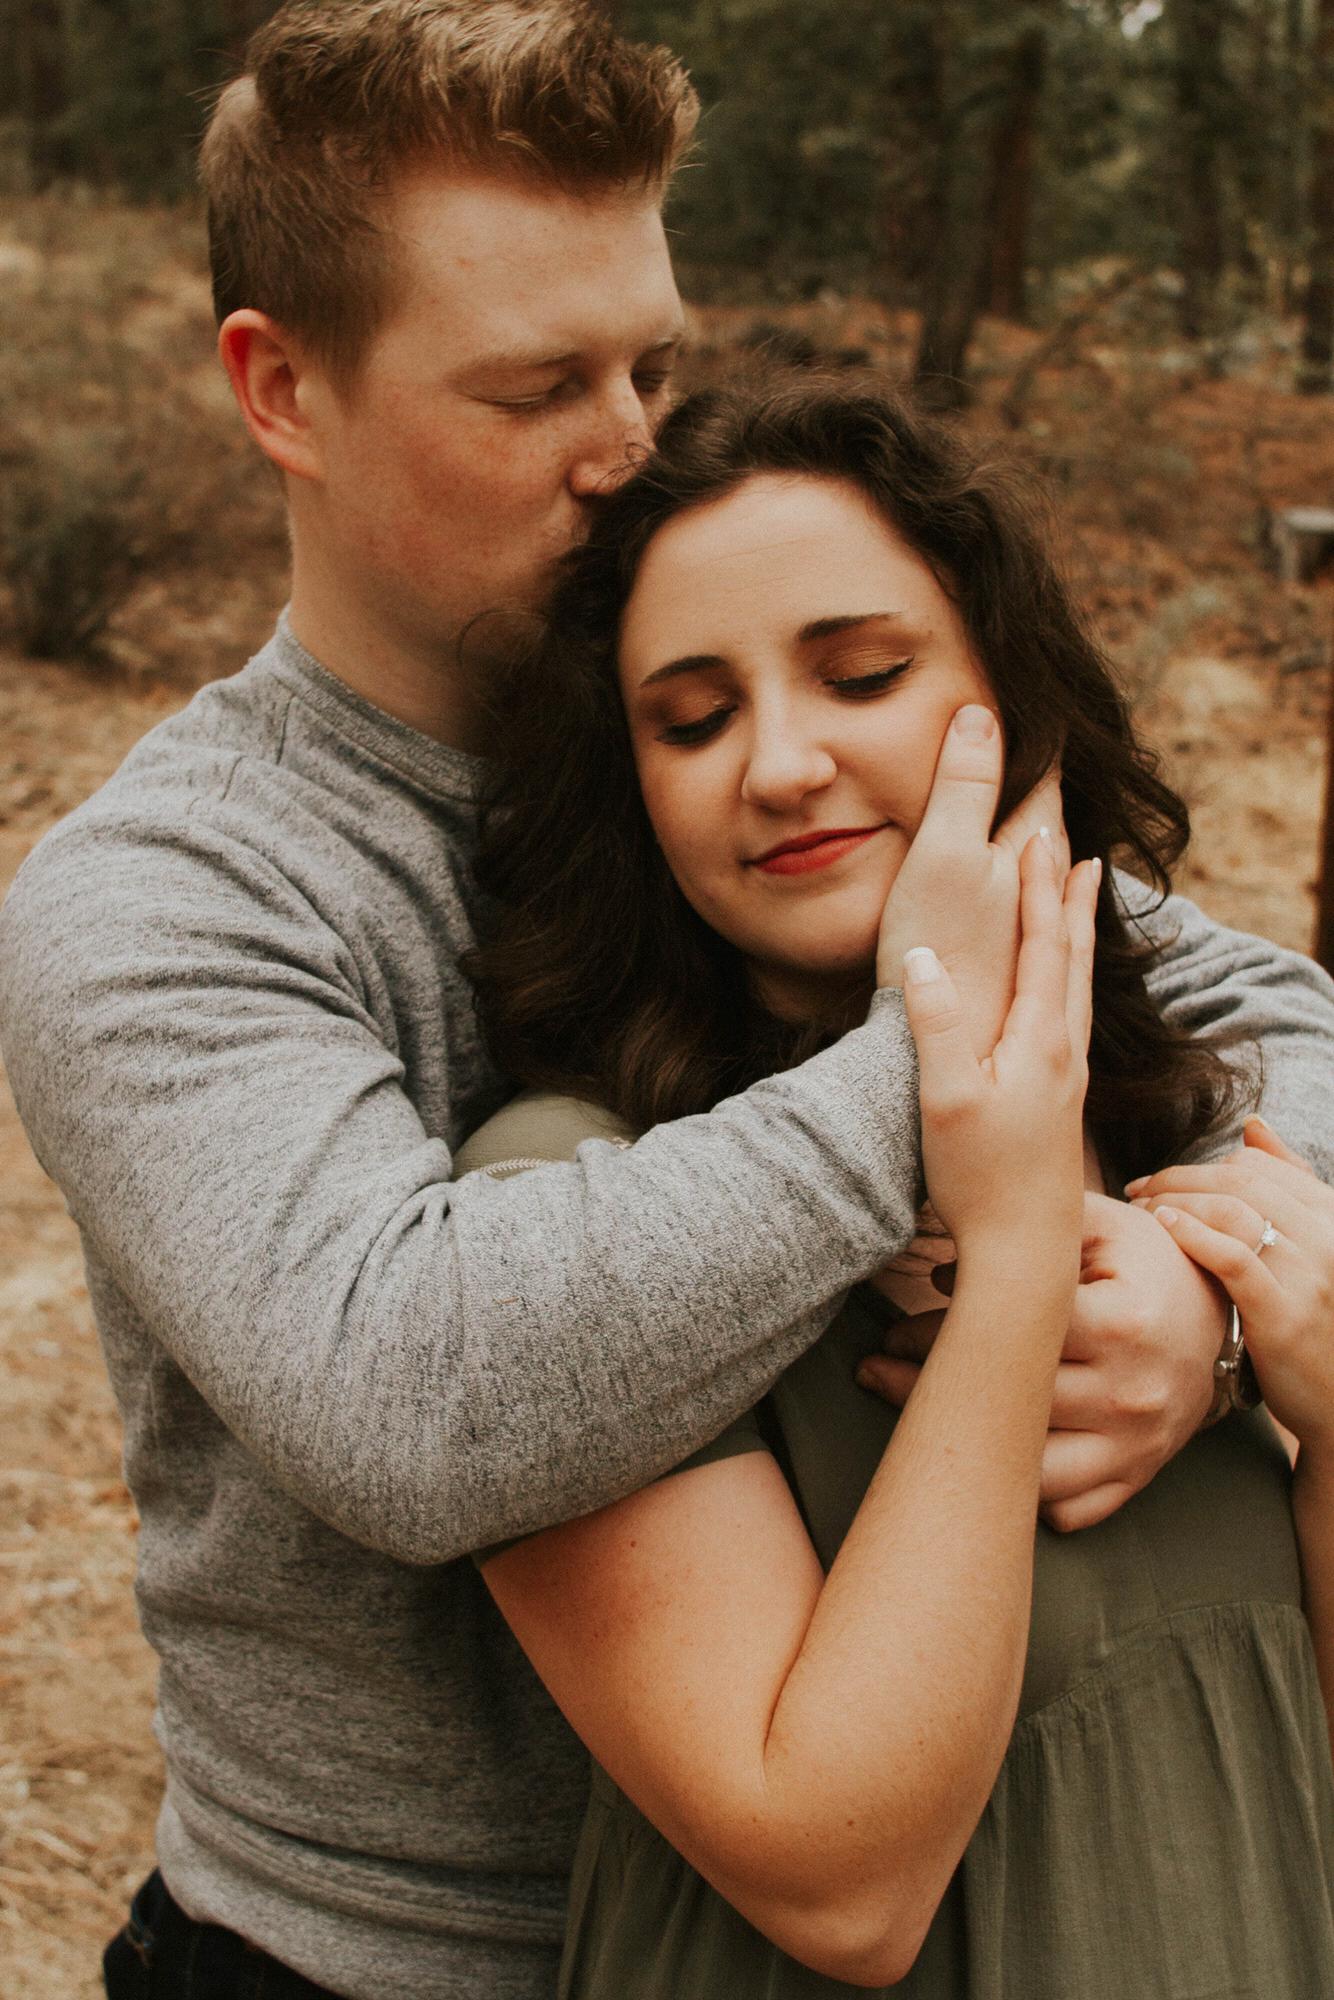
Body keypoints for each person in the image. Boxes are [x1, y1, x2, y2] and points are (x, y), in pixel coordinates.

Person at [0, 4, 1332, 1996]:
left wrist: (1208, 1294)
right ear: (282, 391)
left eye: (652, 364)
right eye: (538, 386)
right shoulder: (171, 893)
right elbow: (407, 1389)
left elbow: (1253, 1014)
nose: (628, 447)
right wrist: (959, 1084)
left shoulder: (747, 772)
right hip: (398, 1963)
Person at [456, 379, 1334, 1997]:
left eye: (860, 675)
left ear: (1011, 691)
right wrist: (1012, 1252)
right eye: (691, 720)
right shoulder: (567, 1203)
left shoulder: (1187, 1123)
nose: (781, 766)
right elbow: (841, 1887)